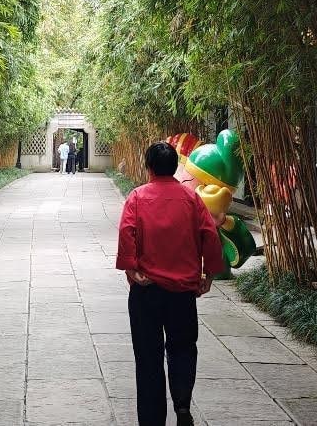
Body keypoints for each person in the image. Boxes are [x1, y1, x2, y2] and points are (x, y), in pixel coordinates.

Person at [115, 142, 225, 426]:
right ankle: (182, 405)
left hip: (146, 291)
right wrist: (209, 275)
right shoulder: (191, 199)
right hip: (182, 294)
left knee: (148, 356)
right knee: (183, 348)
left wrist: (131, 269)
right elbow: (210, 235)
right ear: (174, 167)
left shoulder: (137, 197)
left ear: (148, 167)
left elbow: (127, 233)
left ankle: (152, 420)